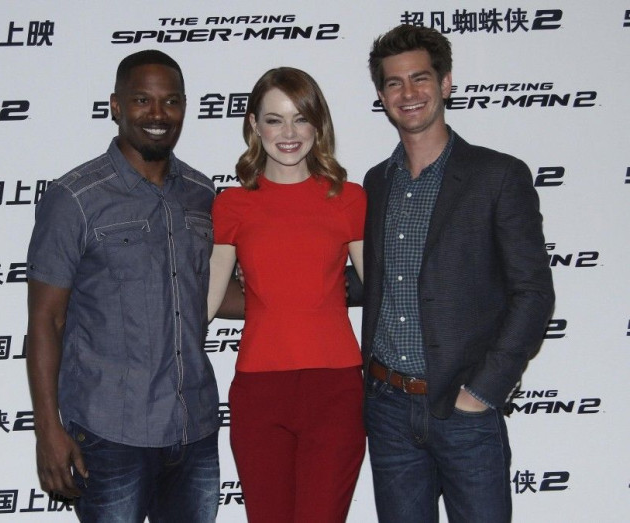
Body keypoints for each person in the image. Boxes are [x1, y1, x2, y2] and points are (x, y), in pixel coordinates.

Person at [359, 24, 555, 522]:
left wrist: (484, 391)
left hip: (464, 409)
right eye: (394, 83)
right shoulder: (376, 183)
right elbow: (379, 281)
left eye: (420, 79)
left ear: (445, 84)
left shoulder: (498, 175)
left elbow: (532, 293)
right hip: (387, 409)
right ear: (381, 96)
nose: (409, 93)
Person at [26, 50, 222, 522]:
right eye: (142, 100)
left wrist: (318, 289)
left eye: (171, 101)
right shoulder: (74, 198)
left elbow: (211, 292)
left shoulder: (201, 193)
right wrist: (48, 431)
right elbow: (45, 322)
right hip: (109, 435)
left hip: (193, 429)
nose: (158, 114)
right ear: (116, 106)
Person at [207, 67, 367, 523]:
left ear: (318, 124)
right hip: (259, 391)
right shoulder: (232, 205)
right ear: (255, 126)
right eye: (275, 119)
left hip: (334, 389)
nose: (289, 133)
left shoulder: (349, 198)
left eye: (301, 118)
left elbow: (384, 291)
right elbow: (206, 303)